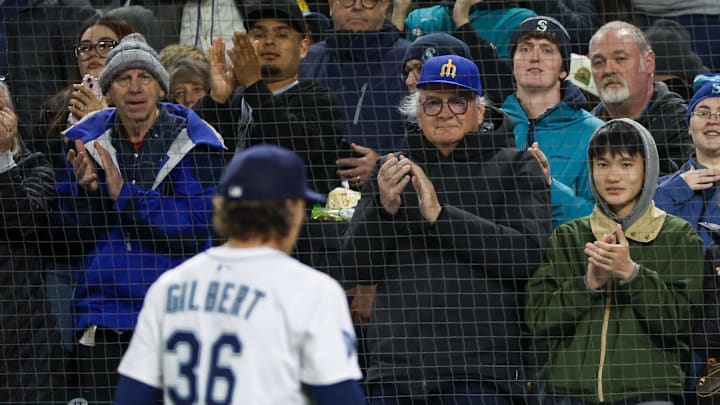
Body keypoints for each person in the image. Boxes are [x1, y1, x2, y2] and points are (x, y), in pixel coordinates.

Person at [340, 54, 551, 403]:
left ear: (480, 111)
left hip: (481, 373)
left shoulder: (517, 166)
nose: (445, 112)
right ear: (416, 110)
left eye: (458, 101)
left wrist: (440, 216)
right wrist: (382, 208)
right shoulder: (390, 170)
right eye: (433, 103)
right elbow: (355, 266)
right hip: (397, 370)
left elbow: (526, 257)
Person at [113, 144, 366, 405]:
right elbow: (340, 397)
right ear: (291, 209)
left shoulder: (169, 287)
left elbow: (131, 396)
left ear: (224, 206)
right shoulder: (312, 291)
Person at [62, 32, 226, 402]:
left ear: (160, 88)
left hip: (176, 318)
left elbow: (196, 227)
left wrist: (127, 198)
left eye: (145, 77)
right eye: (123, 79)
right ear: (109, 90)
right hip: (103, 317)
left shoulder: (197, 144)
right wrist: (88, 195)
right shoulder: (82, 143)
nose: (134, 88)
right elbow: (68, 239)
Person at [525, 118, 705, 404]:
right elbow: (539, 319)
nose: (613, 176)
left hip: (649, 394)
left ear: (648, 168)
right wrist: (588, 284)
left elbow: (682, 323)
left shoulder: (679, 237)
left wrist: (632, 274)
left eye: (626, 164)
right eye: (602, 164)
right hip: (568, 394)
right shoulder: (569, 237)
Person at [31, 13, 134, 360]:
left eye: (106, 45)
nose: (94, 53)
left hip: (119, 254)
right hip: (64, 252)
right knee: (63, 354)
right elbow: (46, 180)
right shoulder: (54, 110)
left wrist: (100, 120)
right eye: (85, 47)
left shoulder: (141, 111)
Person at [195, 0, 346, 195]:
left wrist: (254, 86)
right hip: (225, 218)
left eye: (282, 35)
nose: (269, 41)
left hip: (292, 221)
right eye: (258, 34)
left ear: (303, 47)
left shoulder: (320, 101)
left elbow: (291, 150)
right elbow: (196, 157)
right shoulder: (231, 102)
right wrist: (216, 99)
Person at [0, 80, 68, 404]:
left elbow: (21, 223)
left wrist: (2, 159)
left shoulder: (36, 166)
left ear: (12, 117)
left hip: (24, 340)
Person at [503, 16, 602, 228]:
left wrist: (549, 186)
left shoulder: (594, 133)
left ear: (563, 70)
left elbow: (600, 219)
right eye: (525, 49)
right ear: (512, 64)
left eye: (547, 50)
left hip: (565, 256)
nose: (535, 58)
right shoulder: (489, 126)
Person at [298, 0, 409, 189]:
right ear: (331, 4)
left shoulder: (409, 58)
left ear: (384, 5)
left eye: (368, 1)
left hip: (388, 200)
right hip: (312, 194)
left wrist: (385, 165)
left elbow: (428, 135)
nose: (357, 7)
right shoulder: (308, 60)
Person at [589, 20, 692, 175]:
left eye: (620, 59)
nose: (608, 70)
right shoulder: (586, 128)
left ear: (649, 62)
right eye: (598, 62)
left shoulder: (683, 125)